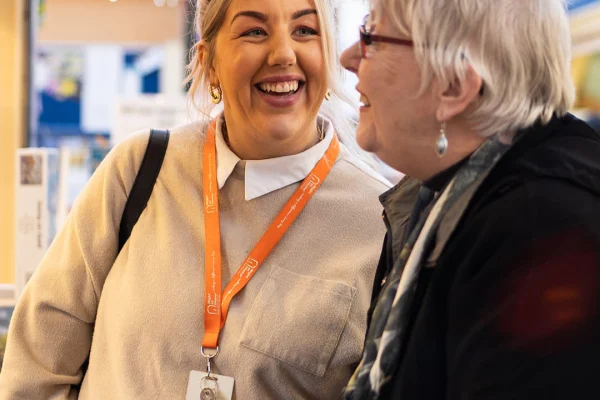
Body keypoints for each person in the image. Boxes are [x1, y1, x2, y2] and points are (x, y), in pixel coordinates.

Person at [0, 0, 392, 398]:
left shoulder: (381, 218)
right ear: (209, 62)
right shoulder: (140, 170)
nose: (283, 54)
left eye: (305, 30)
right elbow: (38, 360)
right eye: (254, 31)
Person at [340, 0, 600, 399]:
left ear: (454, 86)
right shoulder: (451, 198)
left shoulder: (538, 231)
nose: (348, 58)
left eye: (372, 36)